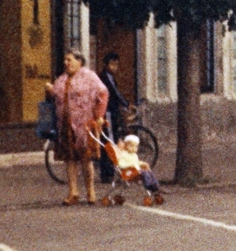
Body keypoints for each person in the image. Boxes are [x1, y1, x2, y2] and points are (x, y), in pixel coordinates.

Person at [50, 49, 108, 205]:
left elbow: (103, 93)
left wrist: (100, 116)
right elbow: (56, 97)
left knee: (86, 158)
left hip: (85, 124)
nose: (66, 63)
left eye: (69, 60)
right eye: (65, 60)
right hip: (66, 124)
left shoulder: (89, 77)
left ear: (79, 61)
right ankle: (73, 192)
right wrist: (50, 91)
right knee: (69, 159)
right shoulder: (62, 79)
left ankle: (90, 191)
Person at [97, 51, 128, 181]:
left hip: (112, 112)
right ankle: (107, 173)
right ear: (106, 64)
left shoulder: (110, 77)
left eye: (116, 64)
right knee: (109, 142)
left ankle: (109, 170)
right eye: (112, 64)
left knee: (110, 141)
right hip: (108, 113)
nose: (115, 67)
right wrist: (125, 103)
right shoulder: (104, 77)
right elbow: (114, 94)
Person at [114, 134, 165, 206]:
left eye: (135, 146)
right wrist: (129, 165)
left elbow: (136, 162)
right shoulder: (123, 155)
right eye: (131, 146)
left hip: (136, 171)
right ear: (126, 146)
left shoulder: (134, 155)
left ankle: (156, 185)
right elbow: (120, 164)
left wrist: (142, 163)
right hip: (128, 172)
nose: (134, 148)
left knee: (149, 172)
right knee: (144, 173)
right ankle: (148, 185)